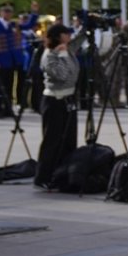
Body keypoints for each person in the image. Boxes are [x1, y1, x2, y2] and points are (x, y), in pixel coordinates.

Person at [33, 24, 80, 189]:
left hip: (68, 98)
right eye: (66, 34)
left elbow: (74, 72)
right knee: (52, 140)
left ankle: (63, 173)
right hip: (54, 101)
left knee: (68, 139)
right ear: (59, 36)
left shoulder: (66, 49)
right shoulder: (49, 55)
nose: (69, 36)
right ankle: (43, 176)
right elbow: (63, 75)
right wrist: (63, 54)